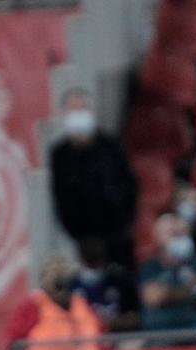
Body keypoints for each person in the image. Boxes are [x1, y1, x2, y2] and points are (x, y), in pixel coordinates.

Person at [49, 88, 139, 271]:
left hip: (116, 234)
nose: (79, 114)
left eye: (83, 108)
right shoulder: (59, 154)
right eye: (74, 109)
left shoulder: (111, 146)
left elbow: (129, 185)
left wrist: (124, 223)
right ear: (64, 114)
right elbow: (60, 196)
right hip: (82, 237)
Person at [4, 256, 102, 350]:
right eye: (53, 273)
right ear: (43, 280)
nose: (59, 279)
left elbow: (103, 340)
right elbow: (13, 343)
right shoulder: (32, 306)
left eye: (63, 273)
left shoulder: (84, 305)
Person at [139, 213, 196, 331]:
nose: (179, 238)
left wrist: (169, 293)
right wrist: (189, 290)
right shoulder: (151, 267)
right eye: (173, 234)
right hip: (162, 334)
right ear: (159, 238)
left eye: (182, 233)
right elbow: (153, 297)